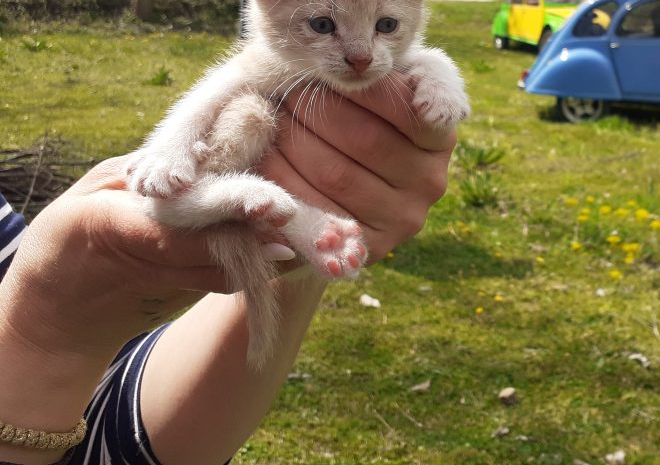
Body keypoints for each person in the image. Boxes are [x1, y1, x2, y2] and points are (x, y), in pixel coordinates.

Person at [0, 77, 456, 465]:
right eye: (322, 24)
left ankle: (281, 220)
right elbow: (212, 95)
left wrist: (310, 236)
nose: (360, 56)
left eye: (386, 25)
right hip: (216, 175)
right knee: (247, 118)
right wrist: (42, 329)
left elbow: (115, 423)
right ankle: (227, 204)